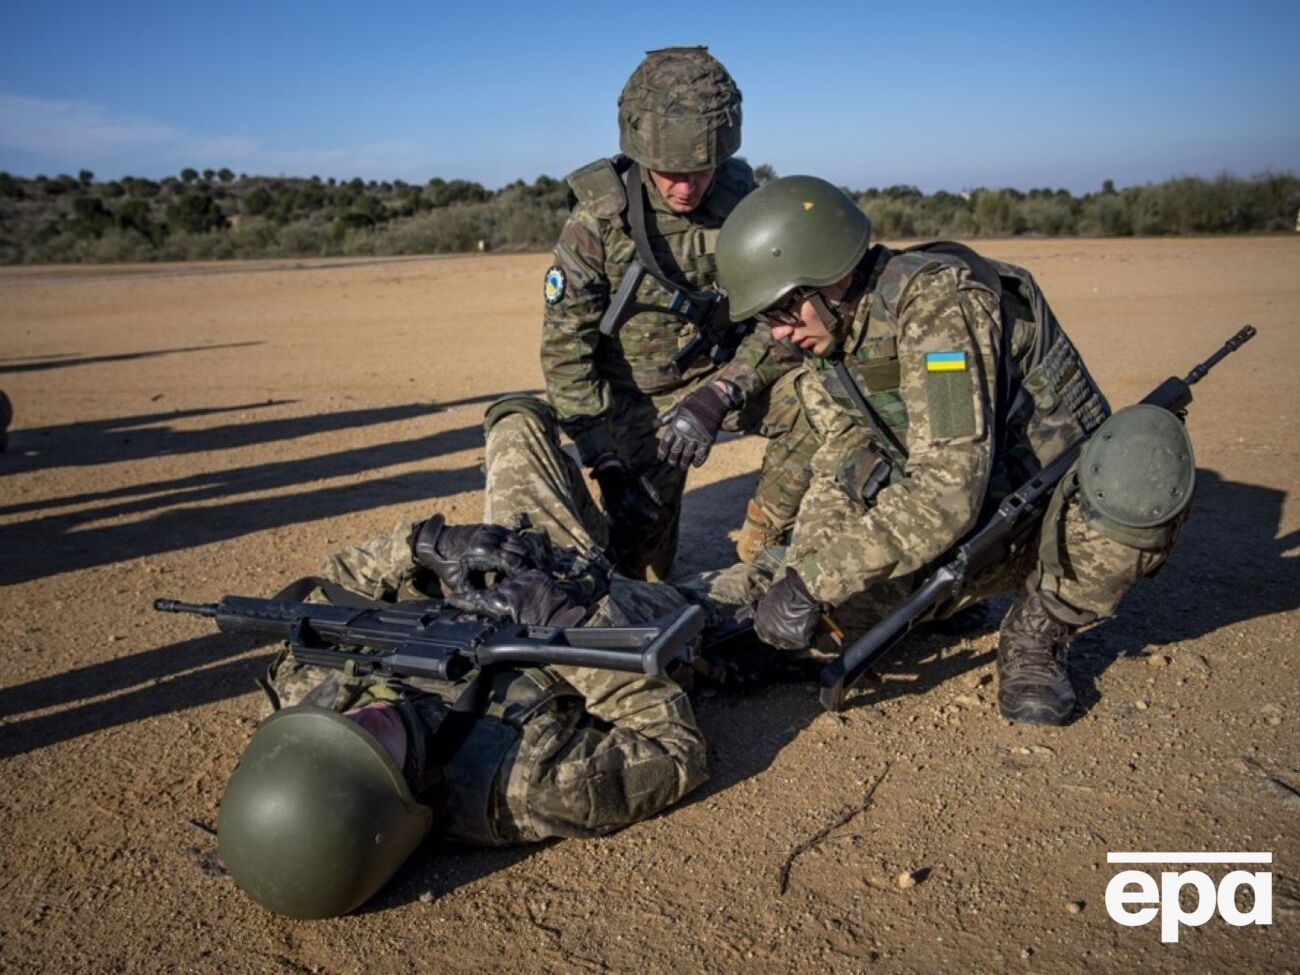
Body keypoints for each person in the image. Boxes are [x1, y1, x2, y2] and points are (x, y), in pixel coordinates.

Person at [705, 176, 1193, 726]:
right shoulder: (831, 341)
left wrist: (815, 582)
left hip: (1043, 515)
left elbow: (945, 492)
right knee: (816, 634)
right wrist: (806, 575)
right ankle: (945, 603)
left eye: (782, 313)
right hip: (954, 523)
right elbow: (840, 467)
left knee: (1137, 471)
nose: (777, 335)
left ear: (827, 278)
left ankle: (1039, 628)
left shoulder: (939, 310)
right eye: (767, 320)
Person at [219, 398, 714, 918]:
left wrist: (426, 545)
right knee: (786, 601)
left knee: (515, 417)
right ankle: (647, 547)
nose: (366, 716)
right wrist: (573, 623)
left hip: (523, 565)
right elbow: (674, 751)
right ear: (399, 807)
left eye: (340, 724)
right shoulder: (523, 787)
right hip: (629, 619)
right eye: (373, 748)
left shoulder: (299, 710)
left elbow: (330, 587)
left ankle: (629, 531)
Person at [540, 45, 815, 578]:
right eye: (669, 171)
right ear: (640, 152)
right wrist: (607, 461)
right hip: (635, 402)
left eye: (701, 170)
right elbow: (565, 354)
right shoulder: (596, 223)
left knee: (821, 400)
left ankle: (766, 548)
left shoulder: (743, 203)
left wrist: (720, 393)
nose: (686, 187)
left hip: (721, 376)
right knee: (641, 576)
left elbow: (785, 318)